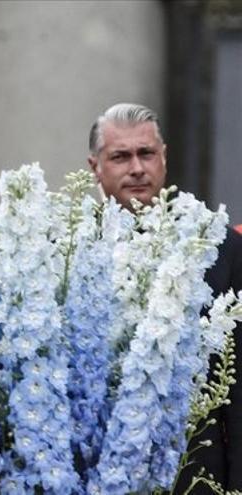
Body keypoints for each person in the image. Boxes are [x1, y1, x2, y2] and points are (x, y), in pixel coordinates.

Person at [87, 103, 242, 494]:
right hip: (93, 470)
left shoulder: (220, 247)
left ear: (164, 158)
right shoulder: (67, 253)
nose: (137, 168)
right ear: (95, 167)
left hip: (196, 474)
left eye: (147, 154)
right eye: (120, 156)